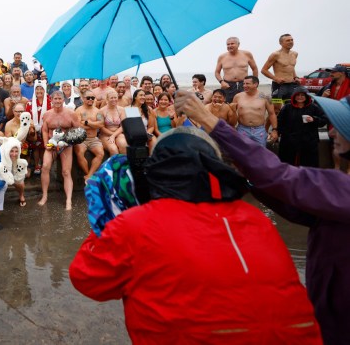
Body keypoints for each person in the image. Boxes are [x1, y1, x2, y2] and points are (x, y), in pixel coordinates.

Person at [69, 126, 321, 344]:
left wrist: (108, 215)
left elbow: (88, 280)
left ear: (154, 172)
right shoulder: (255, 218)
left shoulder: (136, 224)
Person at [175, 90, 350, 345]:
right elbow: (297, 207)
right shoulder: (338, 197)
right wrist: (244, 179)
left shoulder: (343, 189)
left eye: (342, 127)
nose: (332, 133)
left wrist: (209, 120)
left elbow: (279, 175)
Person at [38, 91, 79, 210]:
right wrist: (46, 144)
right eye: (55, 99)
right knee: (45, 167)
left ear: (63, 100)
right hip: (51, 144)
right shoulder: (47, 114)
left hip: (66, 145)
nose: (57, 101)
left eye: (59, 99)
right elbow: (45, 130)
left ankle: (68, 200)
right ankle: (44, 196)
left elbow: (78, 130)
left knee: (66, 172)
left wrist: (68, 141)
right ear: (51, 100)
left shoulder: (71, 114)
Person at [277, 87, 326, 167]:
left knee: (309, 163)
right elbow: (279, 121)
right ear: (293, 96)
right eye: (297, 95)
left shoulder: (314, 107)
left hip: (309, 140)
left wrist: (314, 119)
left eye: (302, 95)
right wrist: (279, 132)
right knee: (287, 162)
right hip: (289, 140)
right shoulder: (287, 108)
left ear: (307, 97)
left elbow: (324, 120)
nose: (300, 97)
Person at [232, 76, 278, 146]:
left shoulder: (265, 97)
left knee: (260, 153)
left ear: (255, 84)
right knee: (242, 154)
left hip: (259, 131)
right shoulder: (238, 96)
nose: (244, 86)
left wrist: (274, 130)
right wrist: (232, 127)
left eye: (247, 84)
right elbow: (232, 113)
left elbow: (272, 114)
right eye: (244, 83)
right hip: (242, 129)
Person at [214, 36, 259, 102]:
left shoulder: (247, 54)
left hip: (244, 84)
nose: (230, 46)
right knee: (227, 104)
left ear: (238, 44)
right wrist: (222, 82)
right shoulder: (222, 57)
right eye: (228, 44)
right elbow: (217, 72)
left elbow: (254, 69)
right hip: (228, 85)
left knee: (244, 103)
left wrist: (255, 83)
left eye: (232, 44)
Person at [74, 90, 105, 182]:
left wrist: (87, 122)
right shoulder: (79, 110)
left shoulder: (97, 111)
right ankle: (89, 175)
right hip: (81, 139)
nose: (90, 99)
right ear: (83, 99)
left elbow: (101, 125)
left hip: (93, 139)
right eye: (88, 98)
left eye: (92, 98)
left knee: (100, 153)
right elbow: (79, 125)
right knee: (79, 153)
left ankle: (89, 176)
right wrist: (94, 124)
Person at [261, 34, 300, 100]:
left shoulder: (295, 54)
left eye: (292, 40)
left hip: (291, 84)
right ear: (281, 43)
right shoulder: (276, 55)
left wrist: (295, 77)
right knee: (277, 108)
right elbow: (264, 70)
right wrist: (276, 79)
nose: (291, 42)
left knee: (289, 106)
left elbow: (291, 67)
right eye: (288, 40)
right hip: (279, 85)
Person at [99, 89, 127, 155]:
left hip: (118, 133)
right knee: (113, 149)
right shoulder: (101, 111)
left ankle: (124, 164)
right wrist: (112, 135)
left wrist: (114, 135)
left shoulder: (122, 109)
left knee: (124, 145)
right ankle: (115, 165)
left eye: (115, 97)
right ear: (107, 99)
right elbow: (101, 127)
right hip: (105, 135)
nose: (114, 99)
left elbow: (123, 125)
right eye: (111, 98)